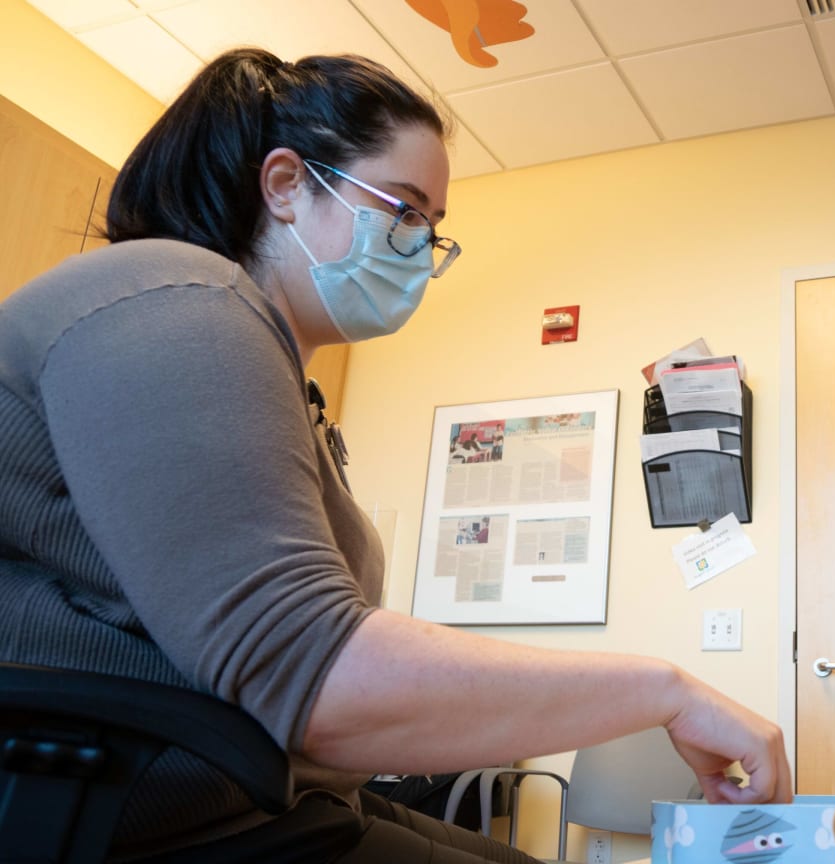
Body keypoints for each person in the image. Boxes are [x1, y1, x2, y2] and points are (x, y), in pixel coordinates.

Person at [0, 48, 789, 862]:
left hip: (250, 795)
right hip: (124, 811)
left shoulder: (267, 366)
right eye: (404, 211)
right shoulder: (173, 299)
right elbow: (316, 675)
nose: (420, 245)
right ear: (285, 186)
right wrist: (665, 692)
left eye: (433, 228)